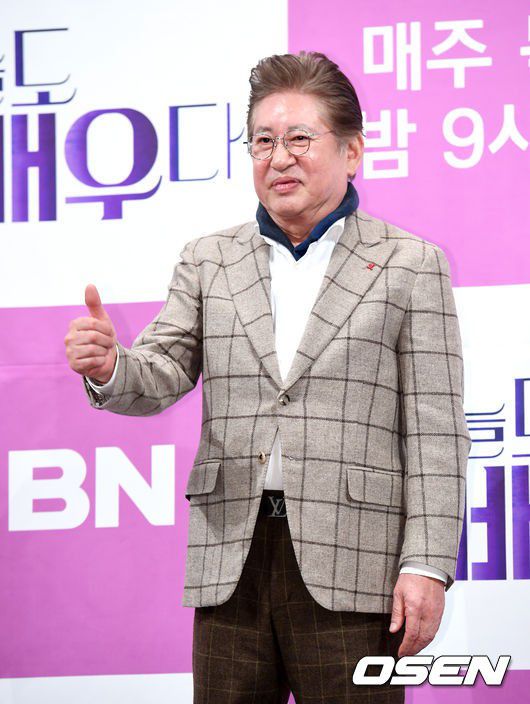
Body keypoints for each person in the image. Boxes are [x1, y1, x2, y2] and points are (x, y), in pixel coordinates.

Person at [64, 51, 472, 703]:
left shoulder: (410, 265)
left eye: (300, 138)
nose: (279, 158)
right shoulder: (209, 260)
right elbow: (164, 369)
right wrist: (113, 367)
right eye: (262, 141)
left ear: (352, 151)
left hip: (354, 561)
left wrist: (426, 564)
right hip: (231, 557)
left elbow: (437, 434)